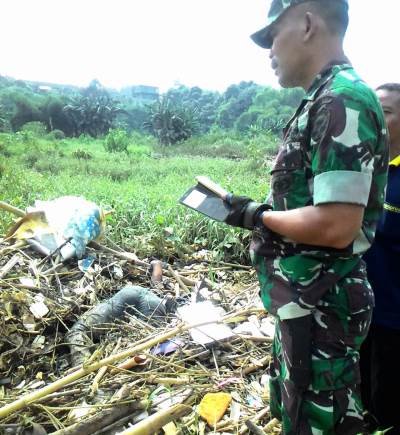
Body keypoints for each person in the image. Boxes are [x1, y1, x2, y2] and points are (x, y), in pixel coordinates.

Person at [223, 0, 388, 433]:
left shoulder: (342, 100)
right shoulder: (323, 98)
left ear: (309, 23)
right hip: (306, 303)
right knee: (298, 418)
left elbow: (337, 225)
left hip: (323, 306)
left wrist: (257, 216)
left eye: (272, 36)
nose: (269, 51)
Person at [360, 83, 400, 435]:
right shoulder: (365, 165)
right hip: (359, 306)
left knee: (388, 403)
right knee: (362, 396)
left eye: (385, 111)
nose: (375, 116)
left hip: (395, 315)